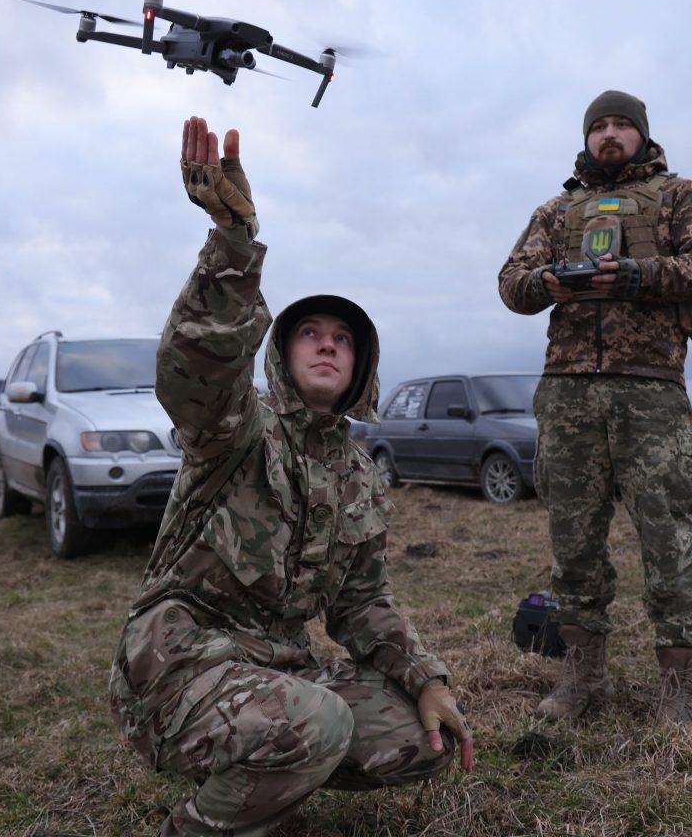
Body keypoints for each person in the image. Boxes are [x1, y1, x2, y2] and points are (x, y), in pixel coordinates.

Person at [109, 117, 473, 836]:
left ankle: (269, 785)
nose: (329, 345)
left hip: (277, 668)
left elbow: (363, 603)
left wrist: (427, 678)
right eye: (312, 333)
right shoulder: (236, 428)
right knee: (320, 721)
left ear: (361, 367)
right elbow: (195, 368)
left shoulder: (359, 475)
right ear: (283, 354)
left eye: (343, 339)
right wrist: (233, 242)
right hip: (178, 664)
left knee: (419, 736)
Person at [498, 90, 692, 725]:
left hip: (649, 389)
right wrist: (548, 282)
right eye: (598, 125)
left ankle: (680, 689)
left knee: (667, 537)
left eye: (620, 125)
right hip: (568, 392)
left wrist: (640, 277)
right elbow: (510, 283)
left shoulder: (679, 195)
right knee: (573, 541)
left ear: (641, 134)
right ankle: (582, 679)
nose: (609, 135)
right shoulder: (556, 210)